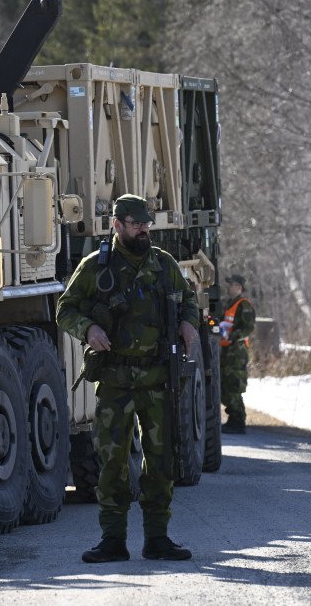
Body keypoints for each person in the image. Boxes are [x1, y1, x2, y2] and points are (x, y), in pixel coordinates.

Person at [56, 193, 199, 563]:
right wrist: (87, 329)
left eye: (147, 224)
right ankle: (113, 541)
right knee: (113, 464)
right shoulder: (95, 267)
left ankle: (157, 539)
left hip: (157, 379)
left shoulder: (163, 264)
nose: (144, 230)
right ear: (117, 225)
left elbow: (188, 299)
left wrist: (188, 322)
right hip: (116, 379)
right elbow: (65, 308)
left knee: (162, 461)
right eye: (136, 224)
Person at [219, 274, 256, 434]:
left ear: (239, 287)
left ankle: (238, 420)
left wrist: (233, 335)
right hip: (226, 349)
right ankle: (233, 418)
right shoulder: (228, 304)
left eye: (232, 284)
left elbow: (248, 328)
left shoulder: (244, 305)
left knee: (234, 385)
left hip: (237, 351)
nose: (229, 287)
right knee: (225, 384)